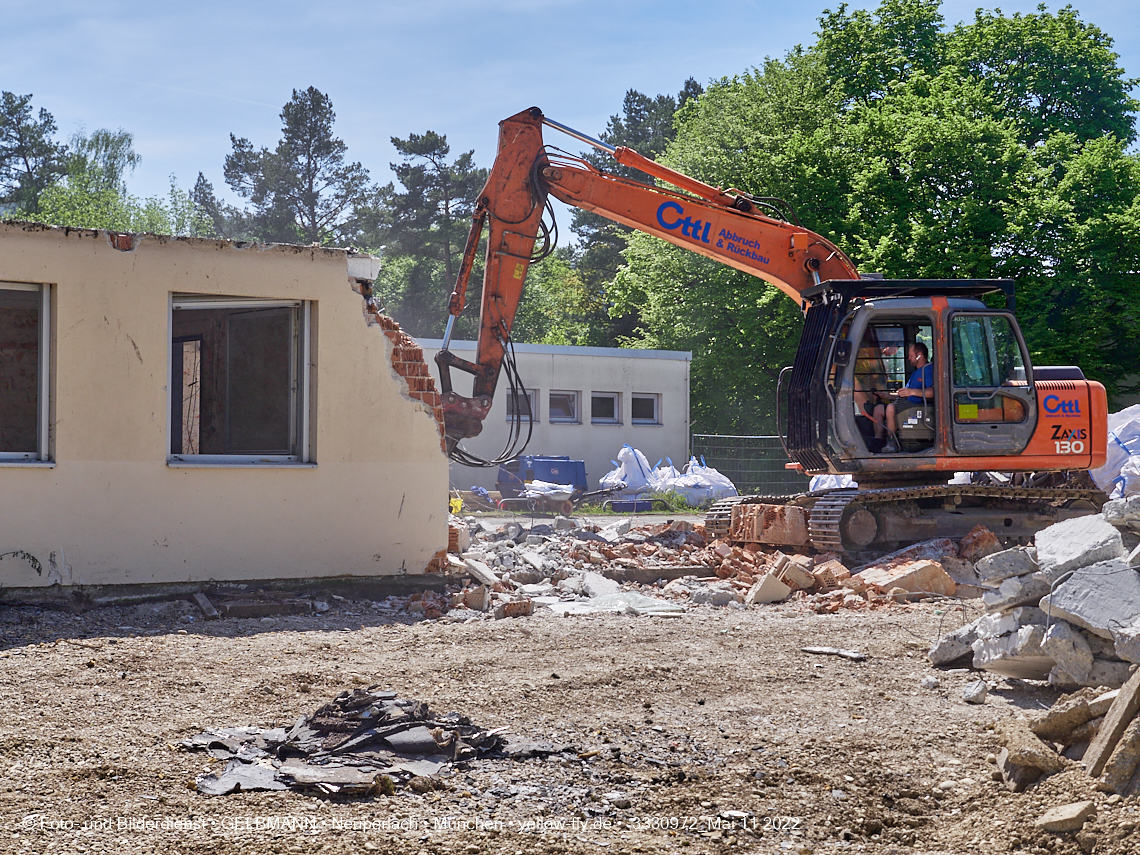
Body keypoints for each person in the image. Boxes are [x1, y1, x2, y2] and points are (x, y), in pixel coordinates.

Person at [882, 342, 933, 453]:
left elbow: (933, 392)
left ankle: (892, 442)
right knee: (880, 408)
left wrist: (912, 392)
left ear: (919, 355)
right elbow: (905, 393)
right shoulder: (915, 373)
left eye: (911, 355)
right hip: (907, 405)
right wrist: (885, 395)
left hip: (918, 407)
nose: (908, 358)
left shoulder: (928, 370)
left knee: (890, 408)